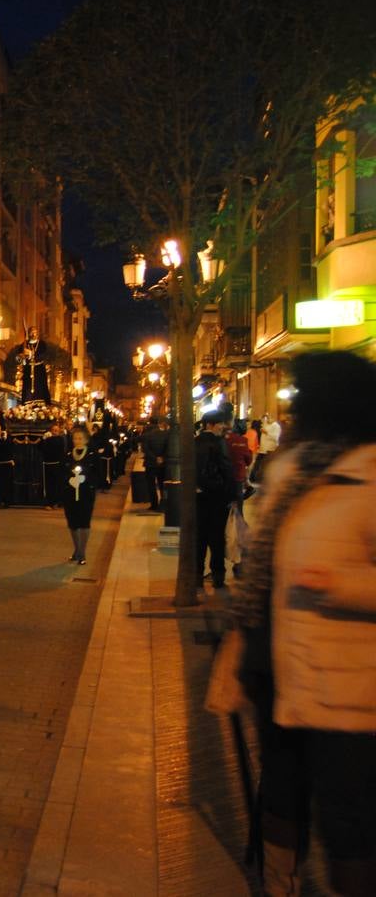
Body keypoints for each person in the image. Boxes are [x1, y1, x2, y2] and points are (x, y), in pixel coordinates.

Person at [229, 351, 376, 897]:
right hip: (280, 666)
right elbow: (260, 568)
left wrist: (339, 583)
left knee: (349, 817)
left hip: (348, 686)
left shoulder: (368, 477)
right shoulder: (290, 470)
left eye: (300, 399)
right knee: (281, 792)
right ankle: (278, 883)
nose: (290, 411)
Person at [194, 409, 234, 589]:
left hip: (198, 496)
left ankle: (196, 575)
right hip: (217, 497)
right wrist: (230, 493)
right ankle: (218, 576)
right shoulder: (219, 443)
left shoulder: (194, 442)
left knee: (199, 537)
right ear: (210, 425)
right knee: (217, 537)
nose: (223, 427)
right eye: (220, 424)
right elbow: (226, 469)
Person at [61, 425, 98, 564]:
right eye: (75, 438)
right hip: (70, 493)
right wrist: (69, 479)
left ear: (86, 439)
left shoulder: (92, 454)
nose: (78, 441)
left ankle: (82, 553)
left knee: (84, 522)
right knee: (73, 522)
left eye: (80, 438)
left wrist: (86, 479)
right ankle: (76, 550)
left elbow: (96, 472)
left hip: (86, 493)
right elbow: (63, 470)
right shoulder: (69, 454)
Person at [224, 419, 253, 578]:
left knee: (224, 519)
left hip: (224, 482)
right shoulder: (243, 441)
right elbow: (248, 460)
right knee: (238, 518)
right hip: (237, 482)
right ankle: (238, 561)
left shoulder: (225, 440)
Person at [140, 416, 170, 511]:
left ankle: (154, 504)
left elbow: (145, 449)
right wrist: (162, 457)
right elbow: (169, 448)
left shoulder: (147, 435)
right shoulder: (166, 435)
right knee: (162, 484)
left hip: (150, 463)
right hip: (163, 464)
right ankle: (163, 504)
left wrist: (154, 458)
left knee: (151, 485)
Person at [39, 422, 67, 510]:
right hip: (47, 465)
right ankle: (48, 502)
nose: (55, 432)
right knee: (48, 485)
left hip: (56, 465)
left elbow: (56, 447)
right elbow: (40, 448)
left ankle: (55, 502)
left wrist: (48, 439)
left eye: (56, 431)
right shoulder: (47, 439)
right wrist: (43, 439)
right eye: (53, 430)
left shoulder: (59, 439)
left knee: (56, 485)